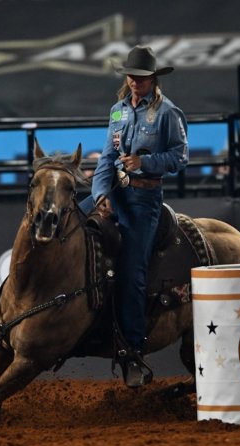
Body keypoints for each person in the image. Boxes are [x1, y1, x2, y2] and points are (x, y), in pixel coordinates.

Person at [81, 45, 189, 388]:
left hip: (143, 198)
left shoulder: (168, 113)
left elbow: (180, 157)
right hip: (114, 191)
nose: (134, 82)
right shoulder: (117, 111)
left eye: (141, 78)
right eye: (131, 76)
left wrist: (144, 163)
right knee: (71, 228)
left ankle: (131, 350)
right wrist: (100, 195)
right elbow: (107, 157)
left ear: (153, 79)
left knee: (132, 270)